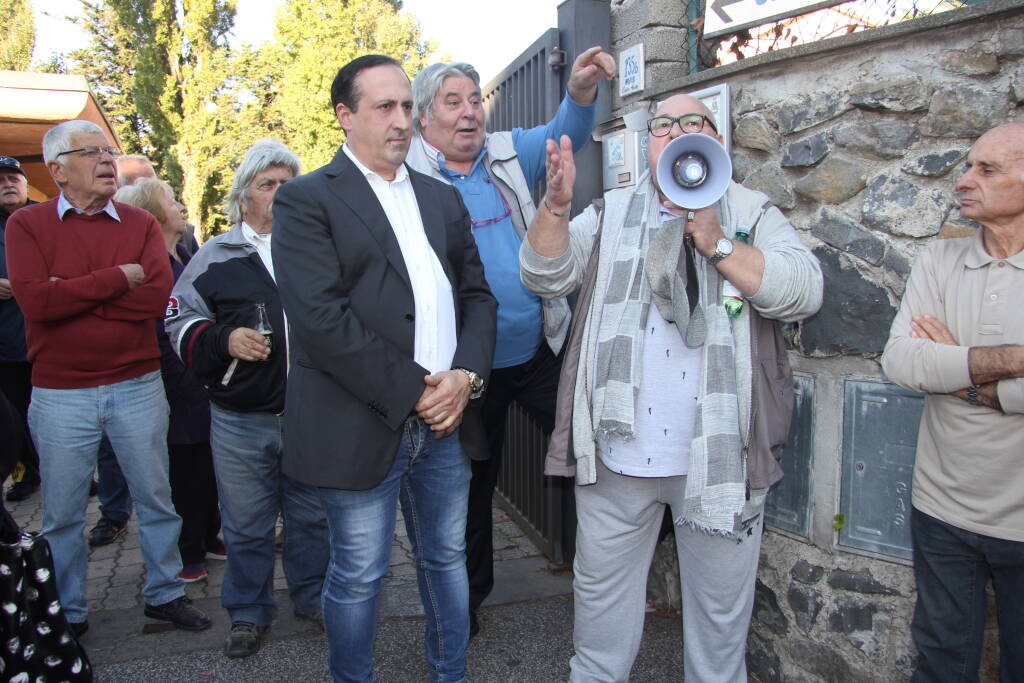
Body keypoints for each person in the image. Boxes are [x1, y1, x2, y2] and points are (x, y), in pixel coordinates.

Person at [520, 94, 823, 682]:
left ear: (716, 139)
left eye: (693, 122)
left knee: (718, 628)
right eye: (662, 124)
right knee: (600, 617)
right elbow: (545, 274)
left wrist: (717, 243)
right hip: (615, 459)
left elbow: (803, 290)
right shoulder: (609, 212)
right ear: (648, 144)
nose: (676, 132)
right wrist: (555, 210)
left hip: (718, 463)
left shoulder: (751, 211)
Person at [271, 54, 497, 683]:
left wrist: (464, 378)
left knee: (446, 558)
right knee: (360, 570)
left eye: (406, 106)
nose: (401, 121)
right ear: (345, 116)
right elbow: (321, 320)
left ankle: (449, 674)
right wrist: (417, 392)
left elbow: (478, 297)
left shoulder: (440, 198)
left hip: (449, 418)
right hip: (360, 419)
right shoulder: (306, 199)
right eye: (384, 107)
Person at [406, 47, 615, 634]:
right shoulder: (410, 178)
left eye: (475, 100)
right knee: (469, 490)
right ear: (425, 118)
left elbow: (562, 140)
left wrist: (578, 92)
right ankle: (463, 606)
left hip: (537, 350)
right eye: (453, 102)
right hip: (464, 373)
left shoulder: (505, 154)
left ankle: (636, 547)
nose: (470, 112)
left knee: (592, 442)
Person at [5, 119, 211, 636]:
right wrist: (118, 278)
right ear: (58, 169)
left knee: (156, 499)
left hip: (138, 385)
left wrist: (70, 292)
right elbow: (36, 302)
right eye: (91, 152)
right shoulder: (26, 225)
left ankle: (164, 595)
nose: (106, 161)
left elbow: (151, 304)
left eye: (109, 151)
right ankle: (70, 612)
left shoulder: (139, 223)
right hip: (59, 394)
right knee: (62, 515)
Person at [166, 138, 329, 659]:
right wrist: (223, 339)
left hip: (309, 413)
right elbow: (177, 320)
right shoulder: (216, 254)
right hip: (239, 418)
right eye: (268, 185)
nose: (280, 194)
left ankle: (313, 597)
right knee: (245, 523)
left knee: (311, 519)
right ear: (243, 197)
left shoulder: (317, 247)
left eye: (288, 184)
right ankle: (247, 611)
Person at [880, 122, 1024, 682]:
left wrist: (956, 366)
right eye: (967, 166)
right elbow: (902, 362)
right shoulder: (941, 261)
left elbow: (934, 367)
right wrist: (1010, 361)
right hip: (941, 509)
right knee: (941, 661)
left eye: (987, 170)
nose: (964, 181)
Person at [114, 177, 224, 583]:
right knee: (184, 466)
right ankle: (186, 548)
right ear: (153, 212)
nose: (179, 205)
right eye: (171, 200)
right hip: (172, 377)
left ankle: (209, 533)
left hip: (197, 371)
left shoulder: (182, 251)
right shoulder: (147, 262)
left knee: (207, 460)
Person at [0, 155, 41, 503]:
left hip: (47, 341)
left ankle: (66, 472)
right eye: (0, 181)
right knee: (14, 417)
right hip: (6, 344)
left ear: (26, 185)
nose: (7, 185)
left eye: (13, 178)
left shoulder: (47, 220)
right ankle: (26, 472)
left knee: (48, 415)